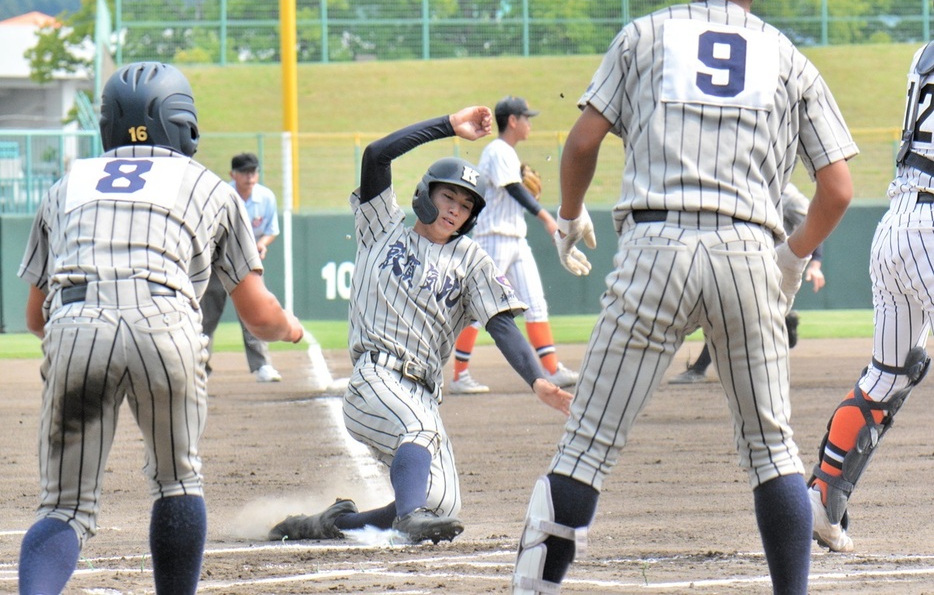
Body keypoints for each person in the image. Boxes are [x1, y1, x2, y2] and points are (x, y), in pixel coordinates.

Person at [511, 0, 858, 593]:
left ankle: (533, 588)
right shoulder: (788, 56)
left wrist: (568, 216)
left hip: (656, 245)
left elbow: (583, 143)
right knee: (773, 452)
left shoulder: (644, 34)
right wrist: (794, 255)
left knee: (587, 445)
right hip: (748, 251)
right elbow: (838, 189)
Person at [16, 62, 304, 595]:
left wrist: (86, 341)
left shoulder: (67, 184)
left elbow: (35, 317)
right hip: (165, 322)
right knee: (177, 484)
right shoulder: (212, 187)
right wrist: (291, 331)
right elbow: (258, 316)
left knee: (65, 508)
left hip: (75, 321)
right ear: (183, 122)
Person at [266, 106, 573, 545]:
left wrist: (537, 380)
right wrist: (448, 126)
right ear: (426, 194)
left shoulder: (471, 261)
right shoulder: (382, 229)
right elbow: (376, 156)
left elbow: (502, 325)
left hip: (423, 394)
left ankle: (330, 524)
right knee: (418, 438)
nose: (456, 210)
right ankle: (409, 518)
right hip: (374, 378)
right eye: (449, 197)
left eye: (466, 205)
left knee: (442, 506)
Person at [807, 40, 934, 554]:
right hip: (930, 225)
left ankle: (821, 500)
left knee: (888, 375)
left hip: (898, 222)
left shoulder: (925, 52)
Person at [449, 96, 578, 395]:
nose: (530, 123)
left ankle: (552, 370)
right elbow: (513, 188)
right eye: (526, 117)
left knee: (535, 303)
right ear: (512, 121)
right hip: (493, 239)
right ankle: (459, 375)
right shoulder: (497, 150)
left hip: (515, 239)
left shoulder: (506, 153)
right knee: (479, 310)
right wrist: (546, 217)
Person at [669, 183, 826, 384]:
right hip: (734, 256)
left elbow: (814, 222)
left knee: (728, 311)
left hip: (769, 263)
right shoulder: (736, 184)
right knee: (734, 312)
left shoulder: (787, 194)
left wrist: (815, 262)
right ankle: (783, 323)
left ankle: (699, 368)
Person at [200, 152, 283, 383]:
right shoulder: (219, 195)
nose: (249, 176)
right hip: (217, 262)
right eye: (245, 172)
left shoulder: (265, 197)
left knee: (254, 315)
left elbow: (271, 230)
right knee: (206, 318)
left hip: (247, 264)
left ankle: (262, 365)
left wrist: (262, 245)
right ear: (232, 174)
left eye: (253, 171)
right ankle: (199, 366)